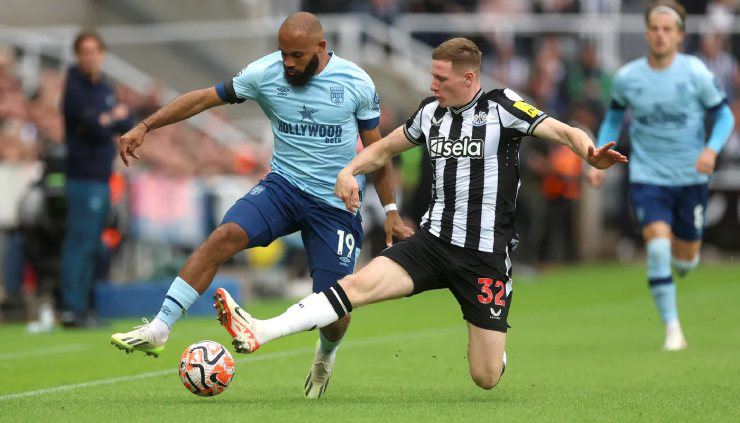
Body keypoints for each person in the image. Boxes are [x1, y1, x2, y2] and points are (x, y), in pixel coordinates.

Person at [213, 37, 627, 391]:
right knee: (355, 286)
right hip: (431, 243)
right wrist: (348, 170)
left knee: (485, 377)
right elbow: (384, 148)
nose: (433, 84)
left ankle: (495, 352)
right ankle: (262, 329)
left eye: (441, 79)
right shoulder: (430, 112)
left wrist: (588, 152)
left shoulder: (503, 107)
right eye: (433, 76)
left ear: (469, 78)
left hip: (483, 256)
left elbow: (563, 130)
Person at [111, 12, 411, 399]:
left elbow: (379, 152)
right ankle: (159, 328)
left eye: (297, 55)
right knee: (224, 236)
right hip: (283, 188)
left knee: (335, 311)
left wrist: (390, 211)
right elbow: (202, 99)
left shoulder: (355, 82)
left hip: (335, 204)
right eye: (283, 53)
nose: (288, 62)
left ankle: (326, 354)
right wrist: (145, 126)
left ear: (321, 47)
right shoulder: (264, 73)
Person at [587, 1, 735, 351]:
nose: (660, 34)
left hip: (690, 179)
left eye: (667, 29)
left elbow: (724, 116)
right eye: (654, 28)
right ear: (646, 32)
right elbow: (613, 118)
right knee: (656, 247)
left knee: (686, 260)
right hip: (647, 176)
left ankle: (684, 262)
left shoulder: (695, 73)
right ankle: (673, 329)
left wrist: (711, 149)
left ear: (680, 35)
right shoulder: (628, 77)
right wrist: (598, 157)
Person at [61, 31, 132, 328]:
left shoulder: (104, 87)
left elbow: (125, 121)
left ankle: (86, 307)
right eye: (85, 52)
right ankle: (72, 308)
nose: (91, 57)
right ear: (78, 55)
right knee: (80, 242)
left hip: (102, 176)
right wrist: (109, 118)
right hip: (83, 175)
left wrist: (108, 118)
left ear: (102, 54)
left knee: (93, 244)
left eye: (95, 51)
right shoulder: (75, 87)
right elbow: (92, 125)